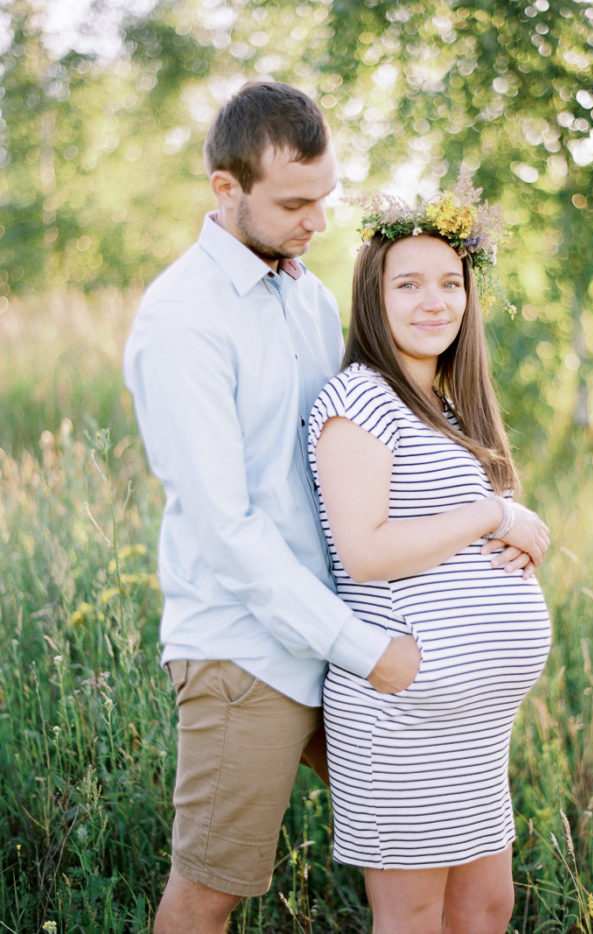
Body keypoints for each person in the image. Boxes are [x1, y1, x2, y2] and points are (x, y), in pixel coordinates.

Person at [123, 80, 421, 934]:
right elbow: (228, 532)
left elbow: (348, 463)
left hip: (334, 634)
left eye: (325, 198)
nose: (318, 222)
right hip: (246, 651)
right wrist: (361, 647)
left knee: (409, 840)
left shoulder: (309, 297)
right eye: (295, 202)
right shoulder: (183, 322)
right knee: (209, 895)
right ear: (227, 189)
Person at [307, 176, 552, 934]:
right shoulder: (360, 399)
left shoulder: (446, 404)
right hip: (403, 720)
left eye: (450, 283)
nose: (433, 301)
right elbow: (364, 551)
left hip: (473, 728)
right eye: (408, 284)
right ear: (374, 300)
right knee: (412, 918)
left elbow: (457, 540)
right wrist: (493, 512)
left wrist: (514, 539)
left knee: (485, 909)